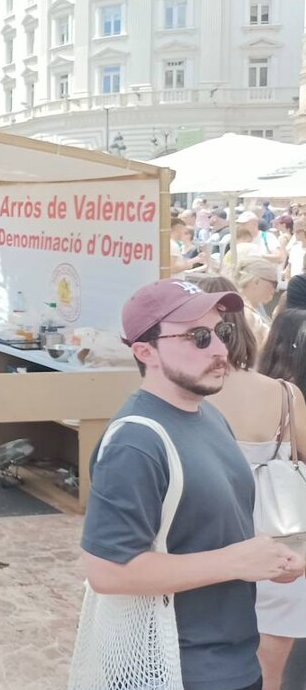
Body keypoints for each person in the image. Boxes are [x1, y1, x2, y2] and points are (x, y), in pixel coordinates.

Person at [81, 278, 305, 690]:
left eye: (222, 332)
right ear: (145, 351)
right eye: (198, 337)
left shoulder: (208, 415)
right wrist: (238, 562)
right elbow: (108, 571)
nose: (220, 350)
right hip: (172, 670)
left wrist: (267, 555)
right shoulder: (137, 441)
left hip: (230, 658)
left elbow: (208, 526)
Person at [224, 303, 306, 687]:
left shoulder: (191, 399)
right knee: (270, 673)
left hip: (216, 544)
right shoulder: (287, 397)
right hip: (280, 540)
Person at [236, 258, 279, 347]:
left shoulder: (256, 308)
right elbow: (253, 353)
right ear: (256, 281)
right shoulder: (246, 315)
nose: (276, 290)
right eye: (274, 284)